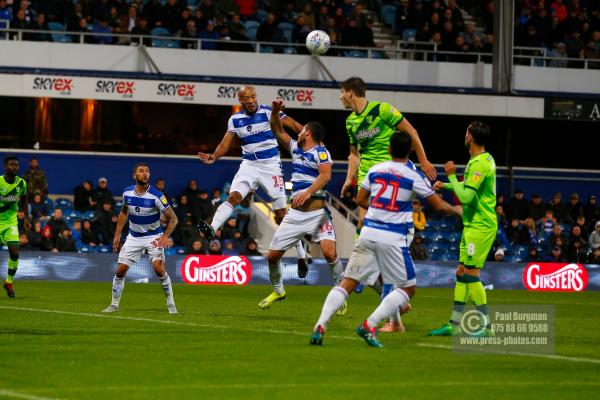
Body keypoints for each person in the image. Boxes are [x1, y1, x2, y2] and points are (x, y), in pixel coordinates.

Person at [310, 131, 460, 347]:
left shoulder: (375, 169)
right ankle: (370, 324)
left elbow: (361, 198)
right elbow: (437, 205)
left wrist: (379, 210)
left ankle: (320, 325)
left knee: (347, 284)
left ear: (389, 149)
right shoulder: (412, 175)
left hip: (368, 232)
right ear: (410, 151)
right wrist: (456, 210)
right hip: (393, 237)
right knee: (408, 289)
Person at [196, 86, 310, 275]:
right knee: (233, 197)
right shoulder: (235, 120)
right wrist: (214, 156)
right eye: (246, 98)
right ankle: (212, 228)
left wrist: (309, 140)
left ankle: (301, 255)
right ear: (240, 101)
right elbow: (226, 142)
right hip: (248, 165)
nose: (250, 100)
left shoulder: (268, 111)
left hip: (271, 166)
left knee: (282, 214)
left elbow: (294, 125)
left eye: (253, 96)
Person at [258, 99, 346, 312]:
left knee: (329, 253)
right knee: (272, 256)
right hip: (295, 216)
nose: (298, 131)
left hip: (317, 214)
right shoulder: (295, 149)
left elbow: (326, 176)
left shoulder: (321, 153)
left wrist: (307, 192)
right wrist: (276, 112)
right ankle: (279, 291)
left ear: (307, 133)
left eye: (302, 130)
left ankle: (340, 295)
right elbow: (277, 129)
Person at [339, 77, 436, 232]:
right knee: (363, 221)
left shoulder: (382, 109)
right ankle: (360, 256)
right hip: (366, 173)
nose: (340, 97)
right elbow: (354, 155)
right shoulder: (350, 121)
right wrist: (348, 179)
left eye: (342, 92)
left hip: (387, 171)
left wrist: (423, 160)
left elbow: (411, 132)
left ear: (350, 93)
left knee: (386, 217)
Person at [429, 121, 497, 337]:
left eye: (466, 131)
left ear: (470, 136)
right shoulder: (480, 160)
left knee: (470, 274)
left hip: (481, 225)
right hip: (472, 225)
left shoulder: (478, 164)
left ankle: (486, 327)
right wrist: (446, 185)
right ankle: (454, 325)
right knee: (461, 272)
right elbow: (469, 189)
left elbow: (466, 198)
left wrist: (450, 175)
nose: (464, 134)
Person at [102, 162, 178, 314]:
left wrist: (164, 236)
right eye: (141, 171)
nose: (145, 173)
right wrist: (117, 235)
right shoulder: (127, 193)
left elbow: (174, 219)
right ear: (134, 175)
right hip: (134, 237)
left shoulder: (157, 195)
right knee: (120, 271)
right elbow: (124, 213)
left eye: (147, 171)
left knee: (158, 269)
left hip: (153, 237)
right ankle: (114, 305)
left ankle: (171, 304)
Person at [1, 156, 30, 297]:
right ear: (5, 167)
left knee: (15, 253)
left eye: (17, 165)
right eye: (12, 165)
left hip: (10, 223)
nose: (15, 167)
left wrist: (26, 218)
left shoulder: (21, 183)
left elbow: (24, 201)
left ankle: (9, 281)